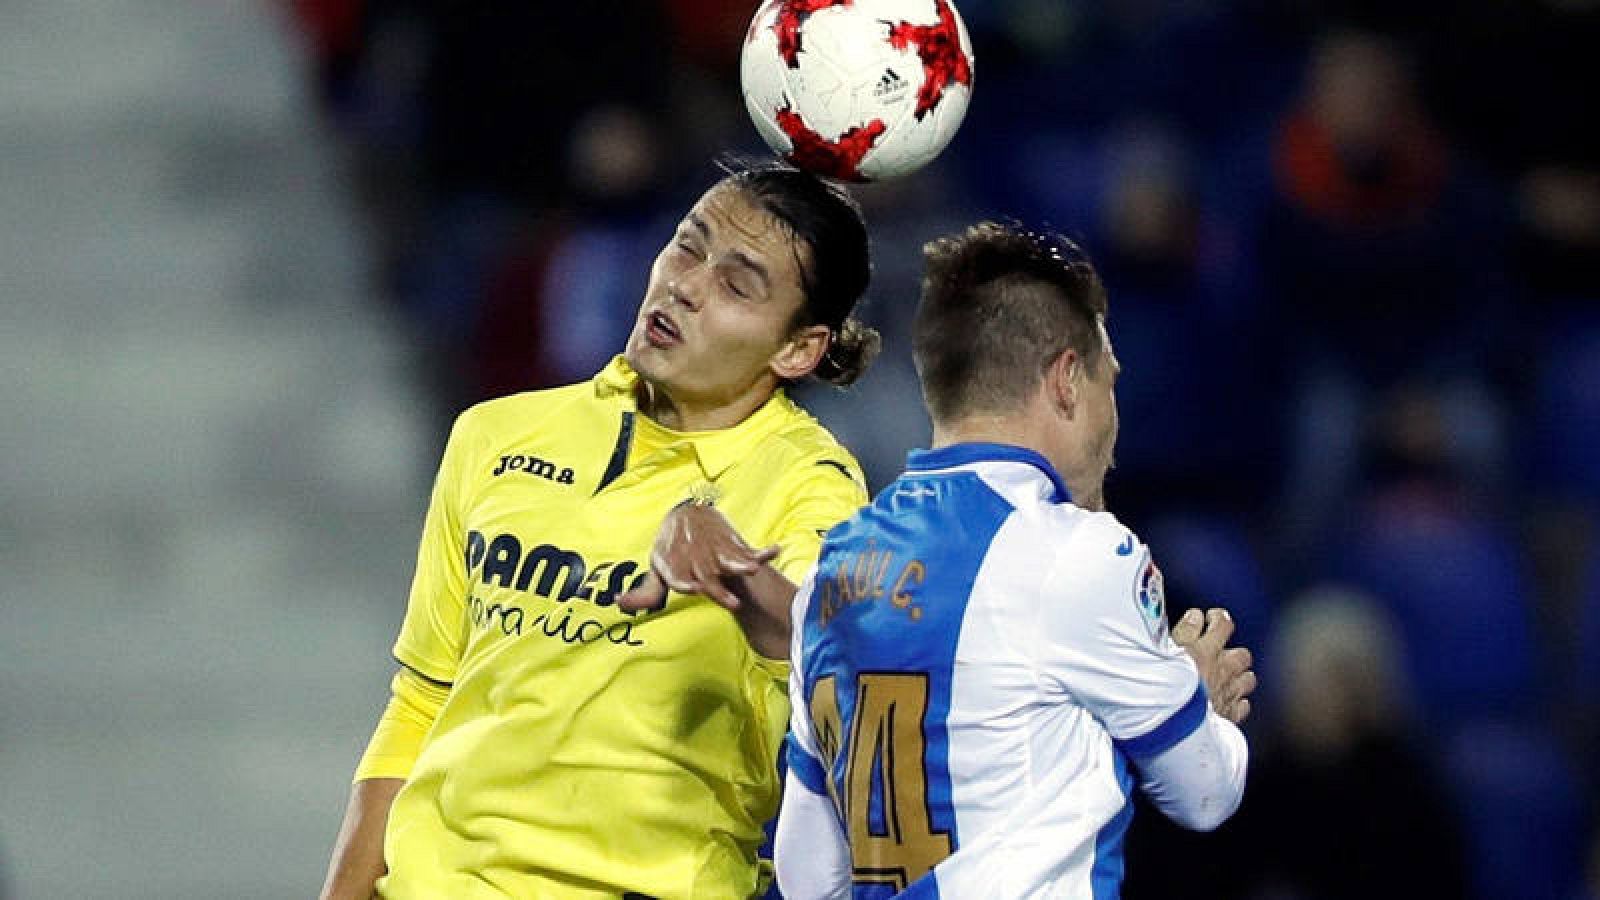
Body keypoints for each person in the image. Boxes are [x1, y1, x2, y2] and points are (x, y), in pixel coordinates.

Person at [320, 161, 882, 900]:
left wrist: (739, 576)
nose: (686, 284)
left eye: (738, 284)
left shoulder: (811, 482)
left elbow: (818, 643)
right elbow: (421, 699)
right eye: (688, 245)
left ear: (798, 349)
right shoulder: (494, 435)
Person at [774, 222, 1256, 898]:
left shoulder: (832, 569)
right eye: (1108, 383)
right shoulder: (1081, 556)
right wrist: (1194, 697)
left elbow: (806, 876)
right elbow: (1206, 791)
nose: (1113, 424)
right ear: (1066, 381)